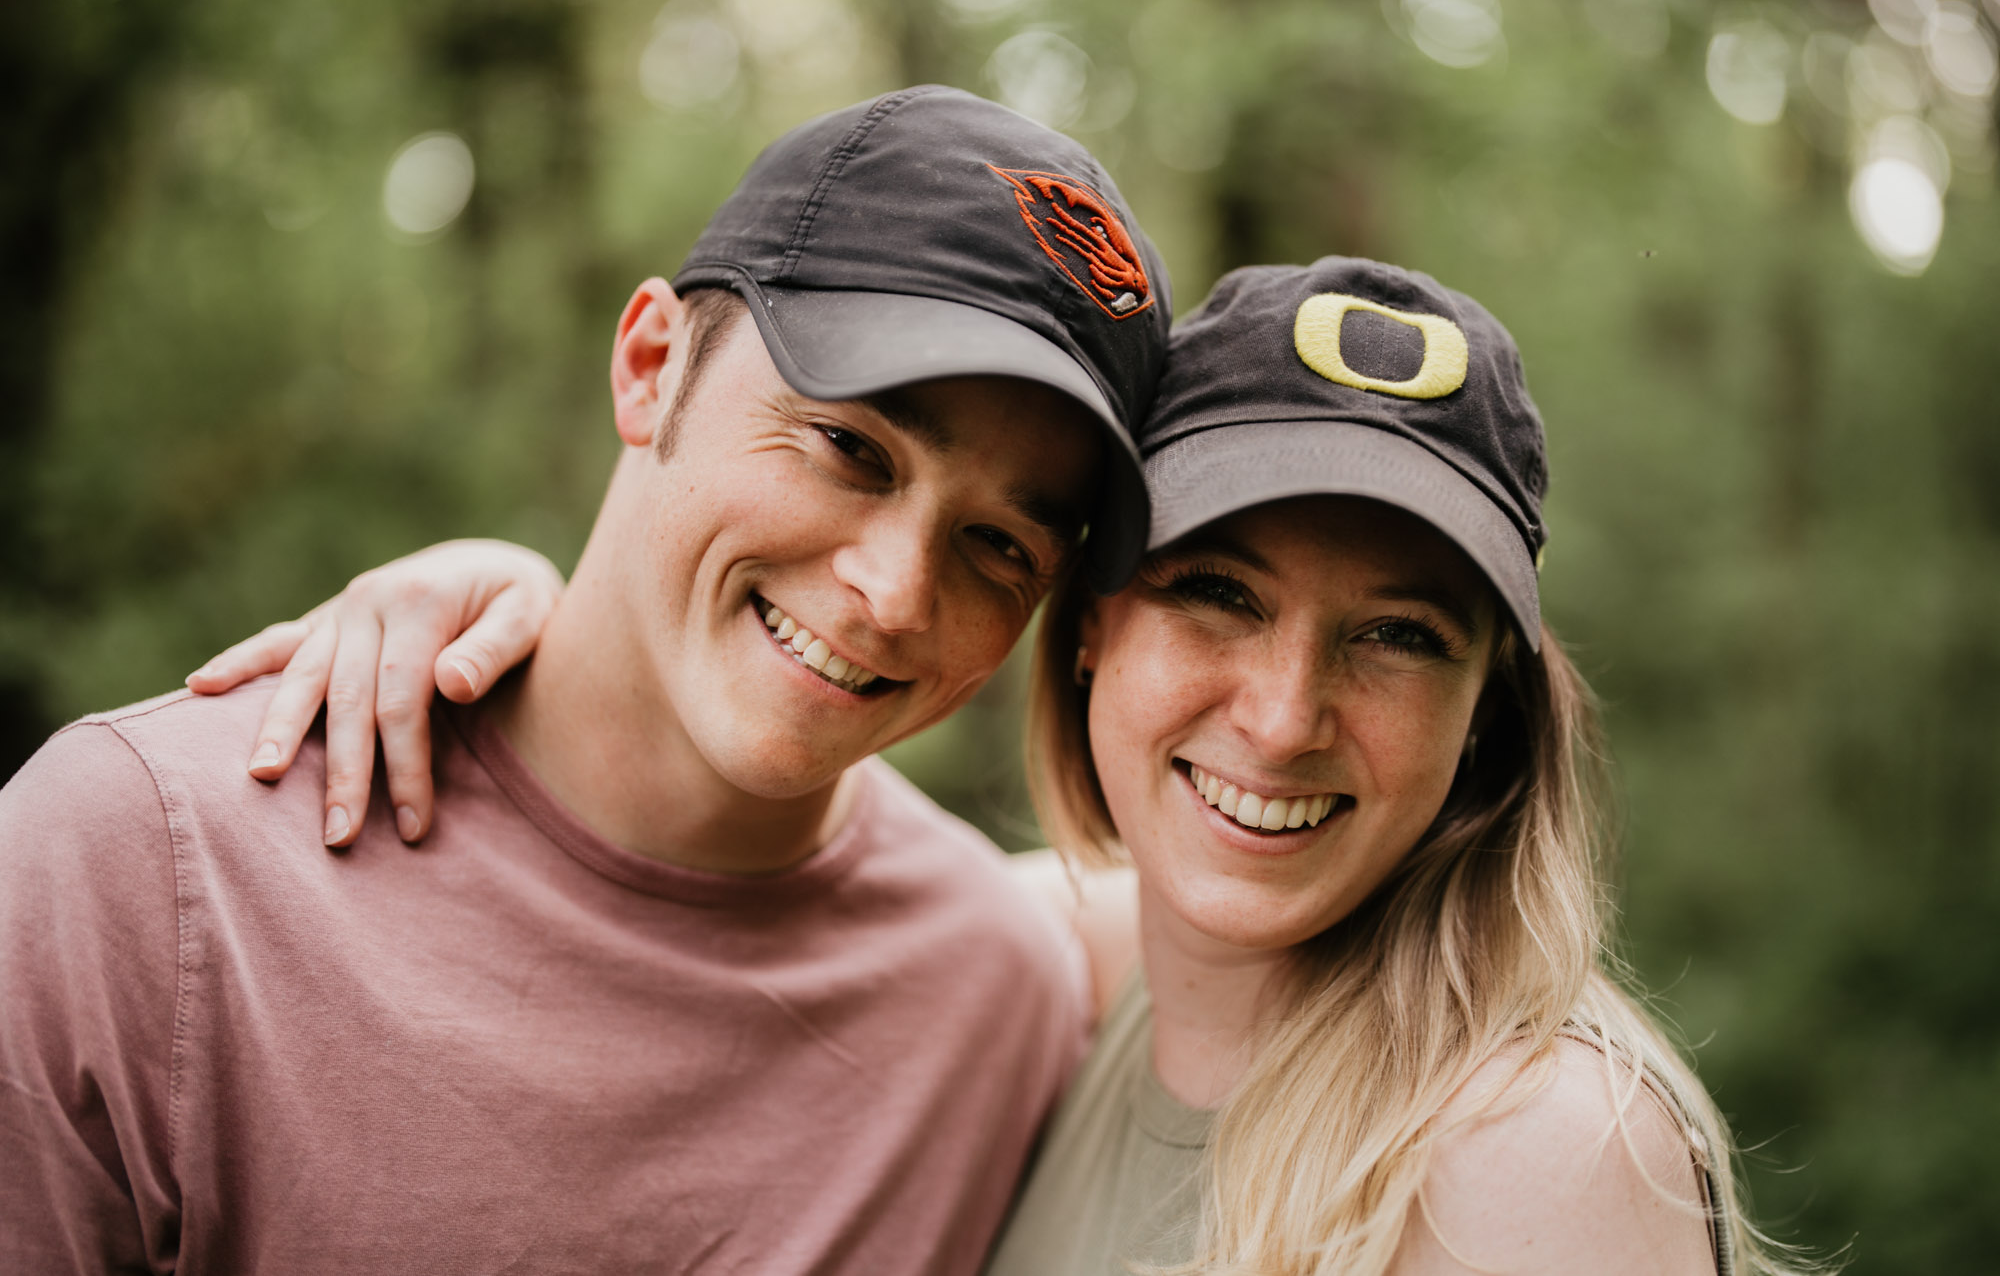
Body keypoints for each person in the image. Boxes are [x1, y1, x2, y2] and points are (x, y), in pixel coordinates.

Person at [186, 258, 1805, 1274]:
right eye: (1220, 595)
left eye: (1397, 635)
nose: (1285, 712)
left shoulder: (1532, 1152)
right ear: (1090, 630)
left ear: (1492, 723)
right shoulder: (1075, 974)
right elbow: (761, 885)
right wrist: (526, 627)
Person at [0, 85, 1175, 1274]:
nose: (895, 591)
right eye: (849, 448)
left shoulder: (994, 1001)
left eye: (1000, 546)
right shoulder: (142, 872)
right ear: (650, 364)